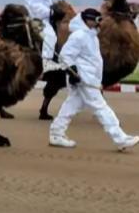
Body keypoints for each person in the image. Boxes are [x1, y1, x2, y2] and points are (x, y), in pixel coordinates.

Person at [49, 9, 139, 151]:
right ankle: (120, 138)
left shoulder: (91, 36)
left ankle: (56, 133)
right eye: (97, 19)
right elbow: (65, 55)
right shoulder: (79, 36)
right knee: (101, 107)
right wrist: (73, 72)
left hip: (89, 79)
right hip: (84, 80)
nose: (99, 23)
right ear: (88, 20)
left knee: (71, 106)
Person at [23, 0, 58, 69]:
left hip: (46, 17)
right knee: (50, 35)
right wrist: (51, 12)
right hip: (39, 19)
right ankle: (46, 61)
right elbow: (36, 8)